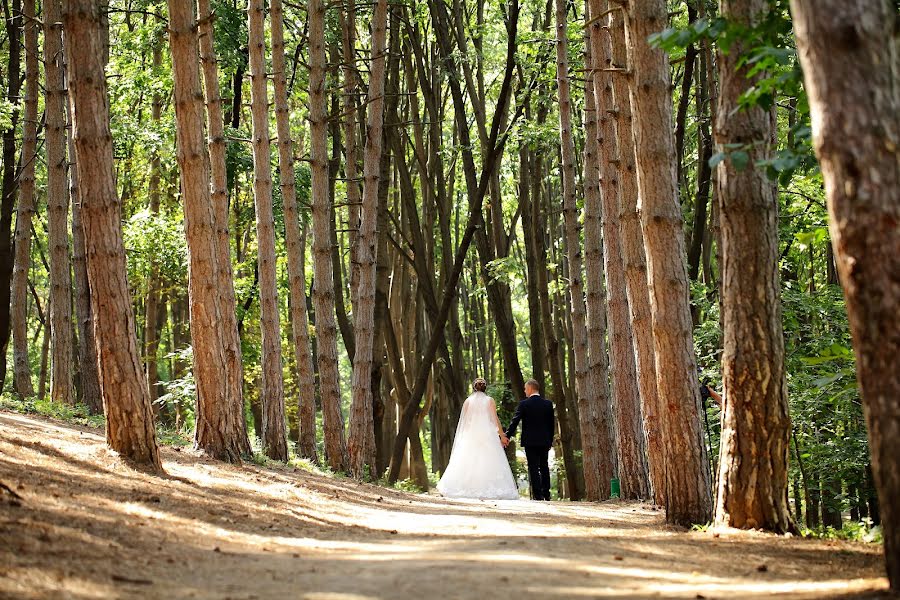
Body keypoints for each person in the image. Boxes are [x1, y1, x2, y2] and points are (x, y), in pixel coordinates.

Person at [436, 378, 519, 500]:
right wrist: (501, 435)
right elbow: (494, 419)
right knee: (489, 460)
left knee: (467, 460)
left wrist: (463, 436)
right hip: (487, 434)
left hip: (470, 434)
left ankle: (465, 487)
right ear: (485, 388)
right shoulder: (489, 401)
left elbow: (464, 421)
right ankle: (486, 487)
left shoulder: (468, 401)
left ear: (474, 387)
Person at [505, 379, 555, 501]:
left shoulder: (524, 404)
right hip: (544, 441)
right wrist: (550, 440)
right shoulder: (547, 404)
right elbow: (551, 425)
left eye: (525, 388)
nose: (525, 391)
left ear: (531, 388)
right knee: (544, 466)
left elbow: (515, 421)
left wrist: (507, 435)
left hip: (530, 441)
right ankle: (546, 494)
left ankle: (538, 495)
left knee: (533, 467)